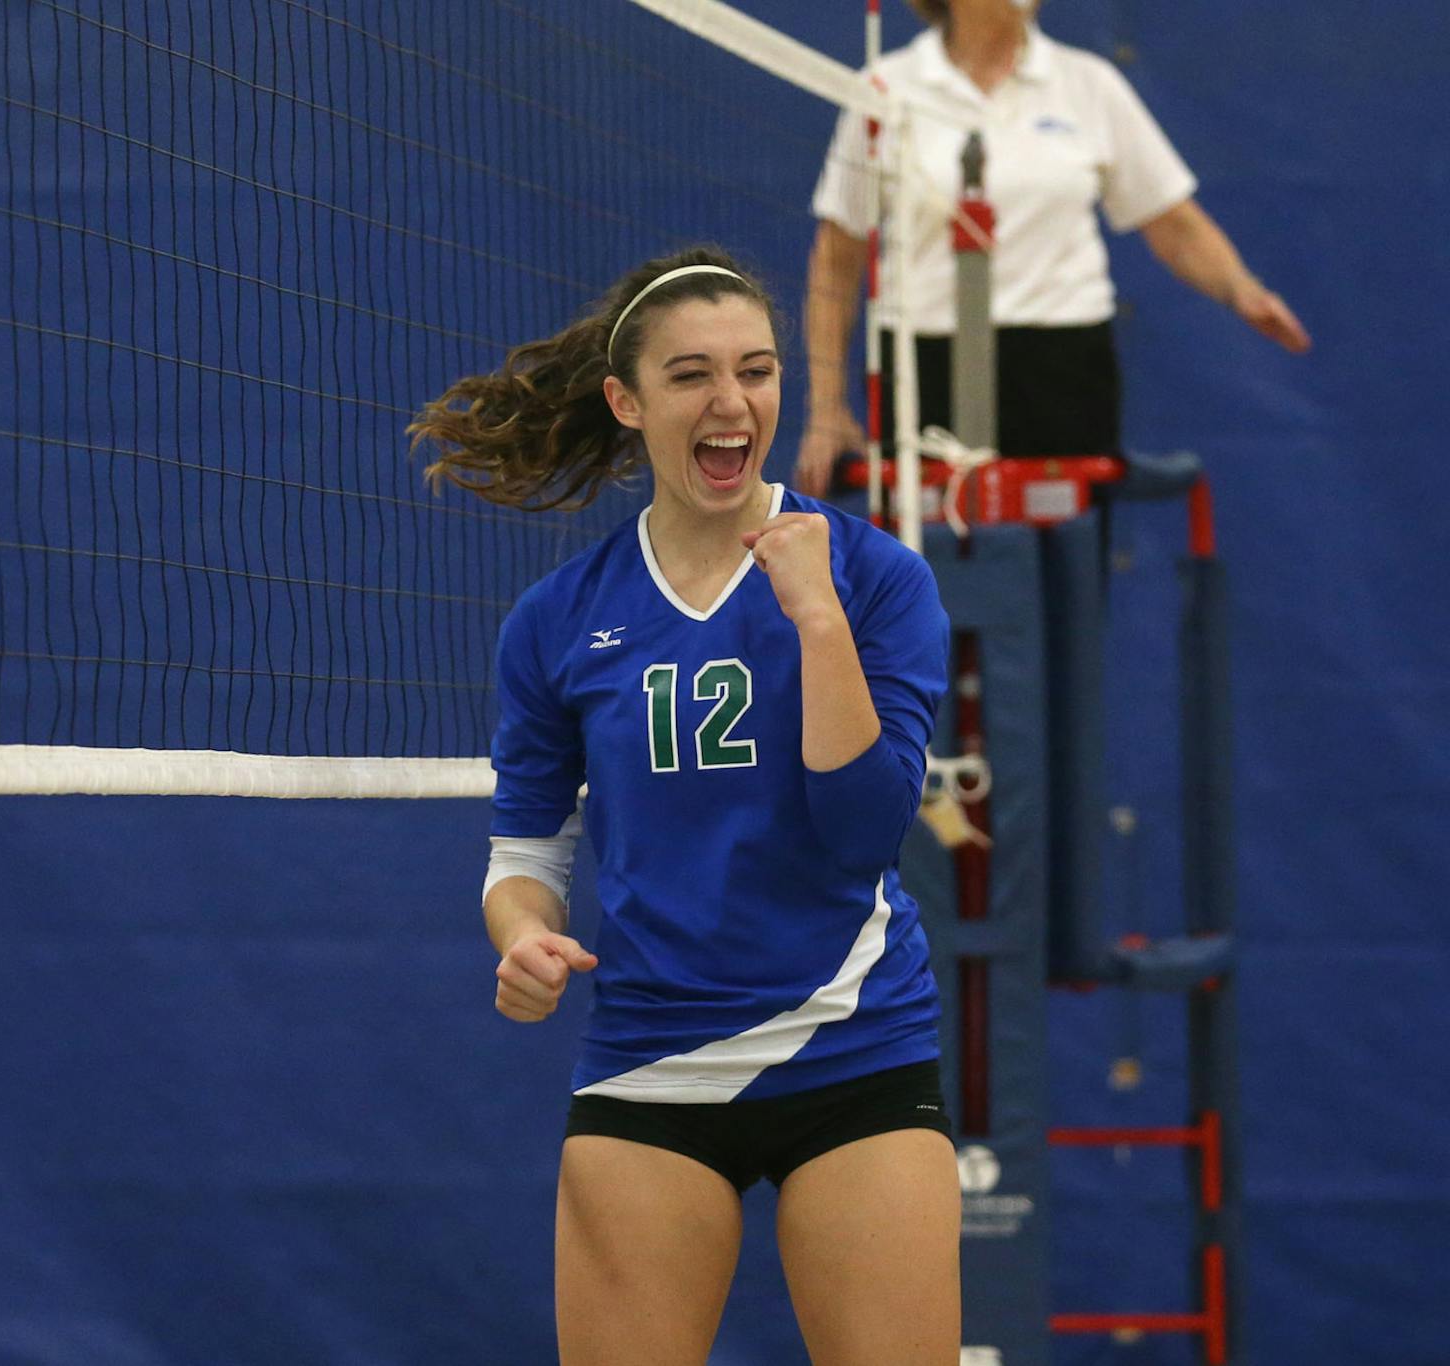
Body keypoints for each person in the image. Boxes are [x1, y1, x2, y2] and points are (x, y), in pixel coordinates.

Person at [410, 247, 959, 1366]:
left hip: (852, 1045)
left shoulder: (875, 577)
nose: (731, 403)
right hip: (653, 1056)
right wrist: (522, 939)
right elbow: (525, 851)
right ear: (628, 401)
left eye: (757, 372)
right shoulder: (560, 618)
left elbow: (864, 833)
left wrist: (817, 622)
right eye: (692, 376)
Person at [798, 0, 1311, 491]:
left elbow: (1173, 221)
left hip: (1062, 366)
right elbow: (836, 261)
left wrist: (1241, 289)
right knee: (936, 565)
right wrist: (827, 409)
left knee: (1066, 558)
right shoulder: (886, 88)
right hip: (926, 367)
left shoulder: (1088, 85)